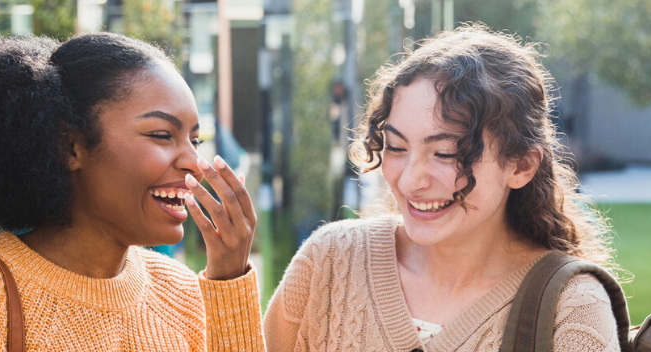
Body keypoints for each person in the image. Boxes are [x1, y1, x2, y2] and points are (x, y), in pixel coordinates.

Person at [263, 24, 622, 351]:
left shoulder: (572, 311)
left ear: (522, 165)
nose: (409, 180)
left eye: (447, 154)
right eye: (397, 147)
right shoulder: (329, 260)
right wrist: (227, 277)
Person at [0, 34, 263, 351]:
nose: (194, 162)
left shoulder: (180, 292)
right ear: (70, 146)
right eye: (162, 135)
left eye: (195, 140)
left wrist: (230, 284)